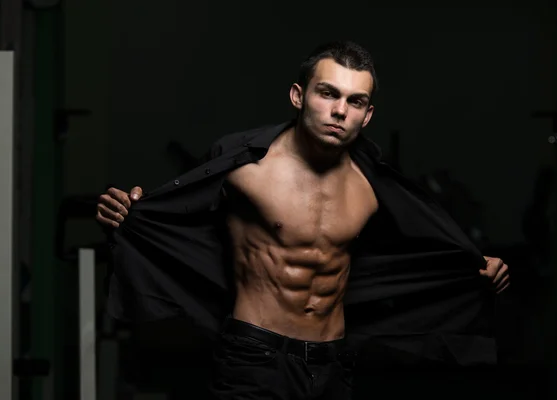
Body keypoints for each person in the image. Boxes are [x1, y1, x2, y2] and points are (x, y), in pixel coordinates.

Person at [97, 41, 510, 399]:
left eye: (355, 101)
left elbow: (415, 254)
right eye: (327, 93)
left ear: (367, 116)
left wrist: (475, 269)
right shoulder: (246, 167)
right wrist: (129, 211)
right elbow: (173, 211)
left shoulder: (373, 184)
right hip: (255, 357)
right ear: (298, 96)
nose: (339, 111)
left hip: (334, 361)